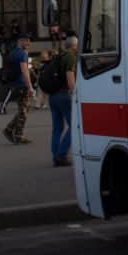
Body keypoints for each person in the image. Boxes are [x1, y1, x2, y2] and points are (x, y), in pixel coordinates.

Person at [49, 35, 78, 167]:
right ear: (73, 46)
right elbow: (70, 77)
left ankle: (55, 156)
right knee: (74, 126)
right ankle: (62, 155)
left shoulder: (58, 56)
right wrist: (74, 93)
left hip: (53, 95)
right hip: (64, 95)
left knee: (57, 128)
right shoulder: (70, 57)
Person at [2, 33, 33, 144]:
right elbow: (24, 71)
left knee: (23, 109)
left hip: (15, 85)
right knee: (23, 111)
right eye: (27, 40)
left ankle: (10, 130)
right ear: (20, 41)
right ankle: (17, 134)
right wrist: (30, 86)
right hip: (21, 85)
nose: (29, 43)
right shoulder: (22, 54)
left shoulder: (13, 52)